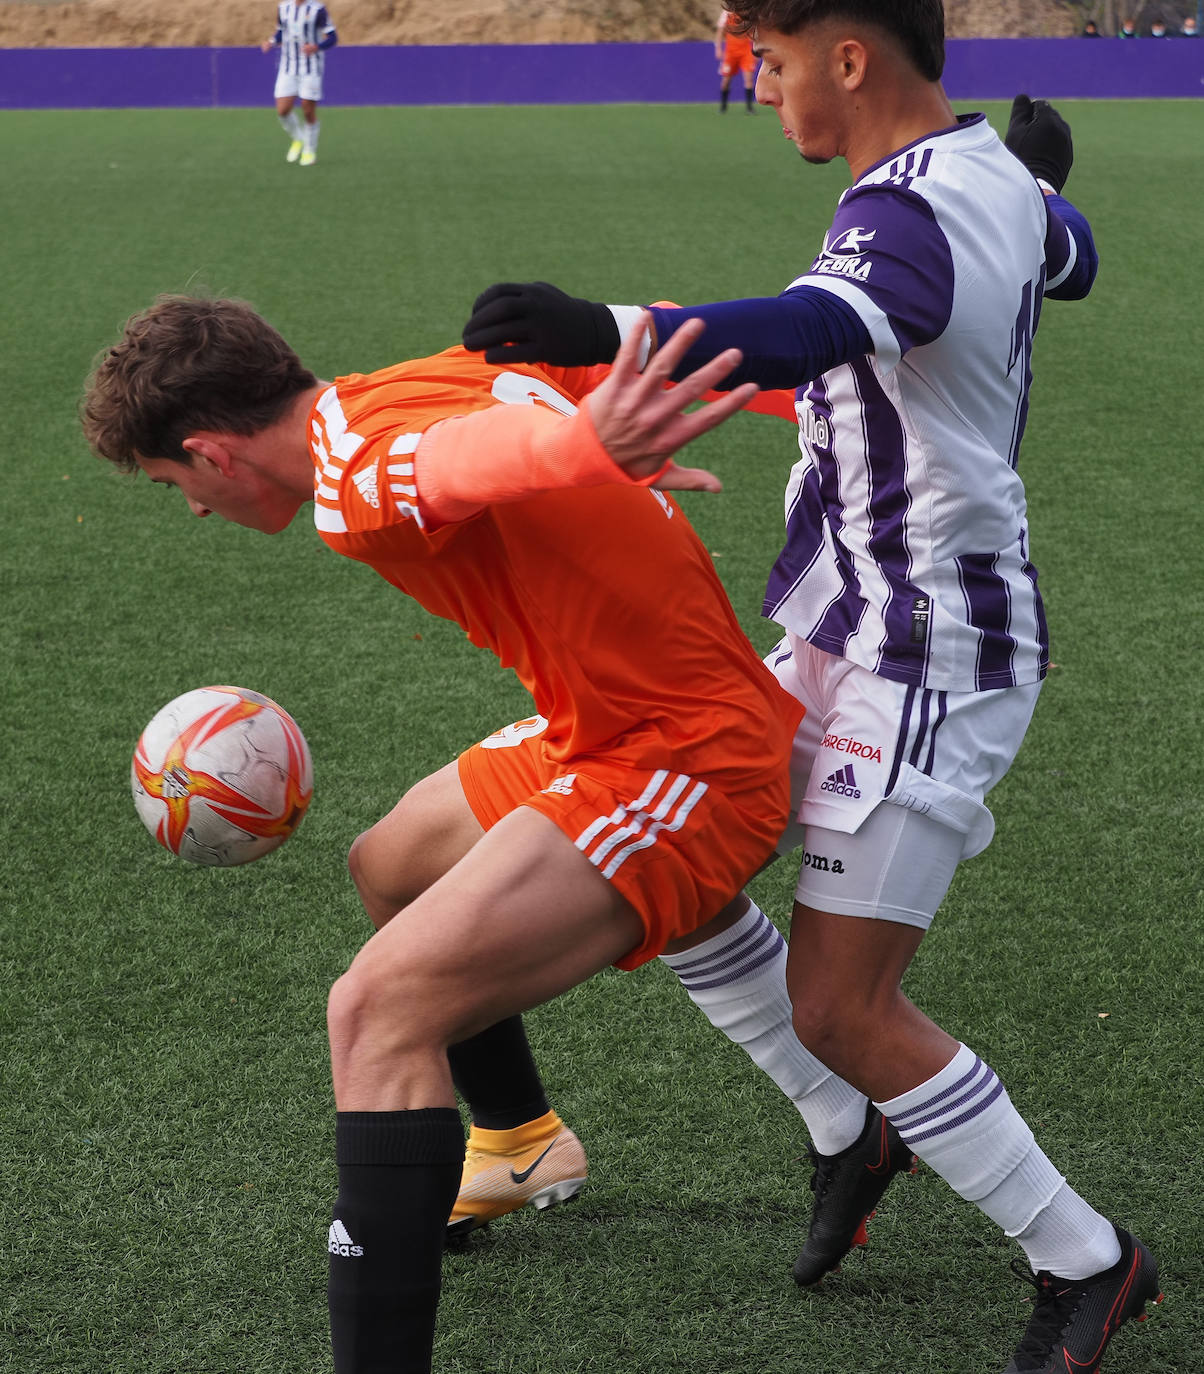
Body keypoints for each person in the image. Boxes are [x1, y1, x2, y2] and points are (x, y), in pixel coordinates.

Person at [458, 4, 1163, 1371]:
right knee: (671, 838)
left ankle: (1091, 1258)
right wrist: (1049, 188)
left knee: (847, 1004)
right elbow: (1067, 260)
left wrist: (604, 329)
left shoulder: (908, 211)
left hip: (925, 651)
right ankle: (855, 1127)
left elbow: (808, 326)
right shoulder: (984, 179)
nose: (760, 86)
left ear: (850, 59)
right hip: (846, 623)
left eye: (772, 63)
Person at [82, 296, 808, 1374]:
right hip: (597, 725)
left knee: (374, 1013)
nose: (188, 507)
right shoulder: (407, 380)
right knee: (393, 864)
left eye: (172, 484)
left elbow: (452, 466)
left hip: (684, 756)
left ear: (212, 452)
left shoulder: (354, 482)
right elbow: (607, 367)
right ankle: (519, 1140)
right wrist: (804, 386)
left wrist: (578, 446)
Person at [261, 1, 338, 165]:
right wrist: (271, 41)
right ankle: (299, 138)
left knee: (307, 109)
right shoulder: (283, 8)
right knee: (282, 110)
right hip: (288, 67)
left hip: (310, 67)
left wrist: (316, 47)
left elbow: (333, 37)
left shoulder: (318, 10)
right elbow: (281, 32)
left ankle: (309, 151)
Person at [716, 8, 758, 111]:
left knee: (749, 79)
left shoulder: (749, 12)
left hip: (746, 51)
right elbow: (720, 32)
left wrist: (756, 51)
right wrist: (718, 48)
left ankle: (749, 107)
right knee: (726, 81)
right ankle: (723, 106)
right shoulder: (727, 13)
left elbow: (755, 33)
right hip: (731, 52)